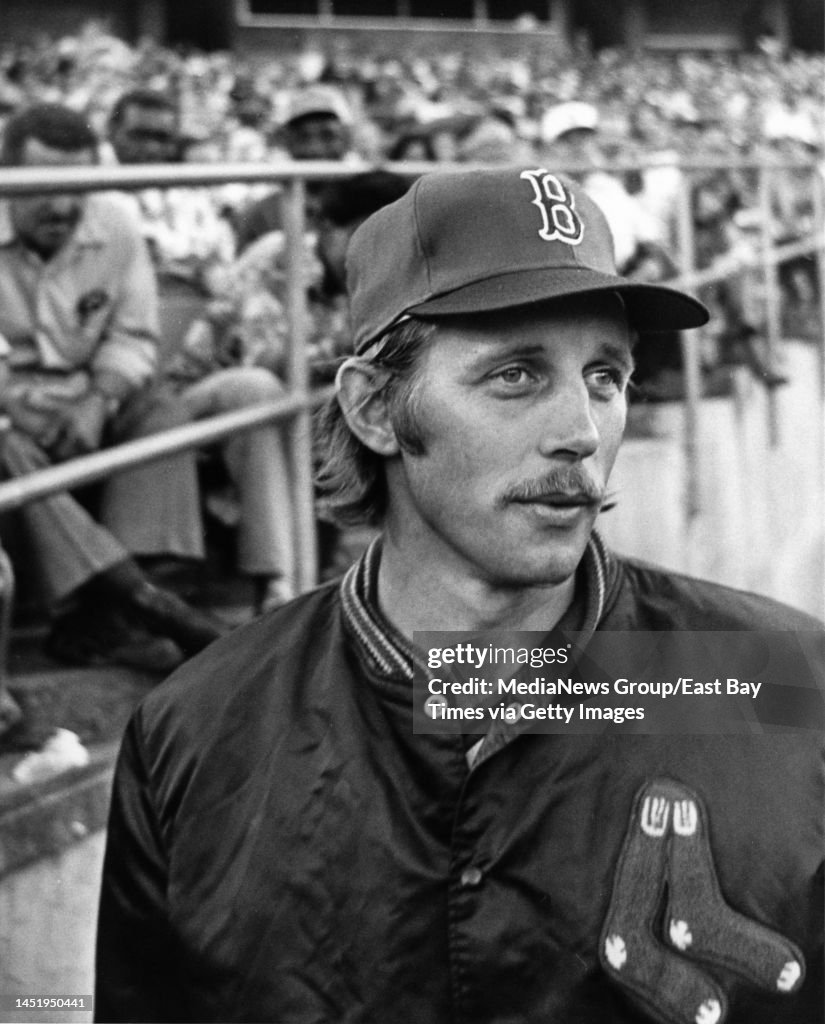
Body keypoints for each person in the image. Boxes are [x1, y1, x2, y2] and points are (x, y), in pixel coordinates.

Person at [95, 167, 823, 1023]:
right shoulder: (198, 728)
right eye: (515, 375)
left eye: (604, 375)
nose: (580, 434)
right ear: (374, 409)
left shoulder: (786, 680)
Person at [0, 103, 223, 672]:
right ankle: (137, 601)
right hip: (10, 404)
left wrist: (100, 399)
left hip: (86, 390)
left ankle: (116, 608)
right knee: (7, 444)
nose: (63, 204)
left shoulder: (116, 219)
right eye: (44, 188)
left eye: (78, 186)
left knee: (160, 410)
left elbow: (133, 335)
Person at [231, 84, 356, 254]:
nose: (315, 149)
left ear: (347, 139)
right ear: (287, 142)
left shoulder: (373, 205)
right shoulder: (262, 214)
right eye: (303, 137)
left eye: (328, 136)